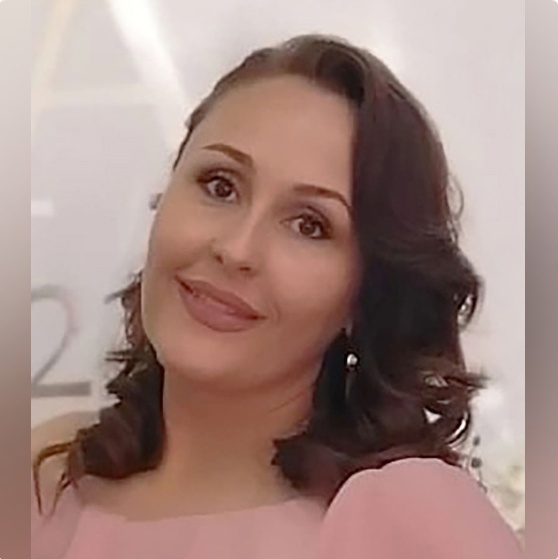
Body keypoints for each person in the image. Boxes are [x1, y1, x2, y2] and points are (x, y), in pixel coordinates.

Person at [31, 34, 523, 558]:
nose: (236, 249)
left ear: (365, 297)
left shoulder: (411, 524)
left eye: (310, 225)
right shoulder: (44, 481)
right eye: (220, 185)